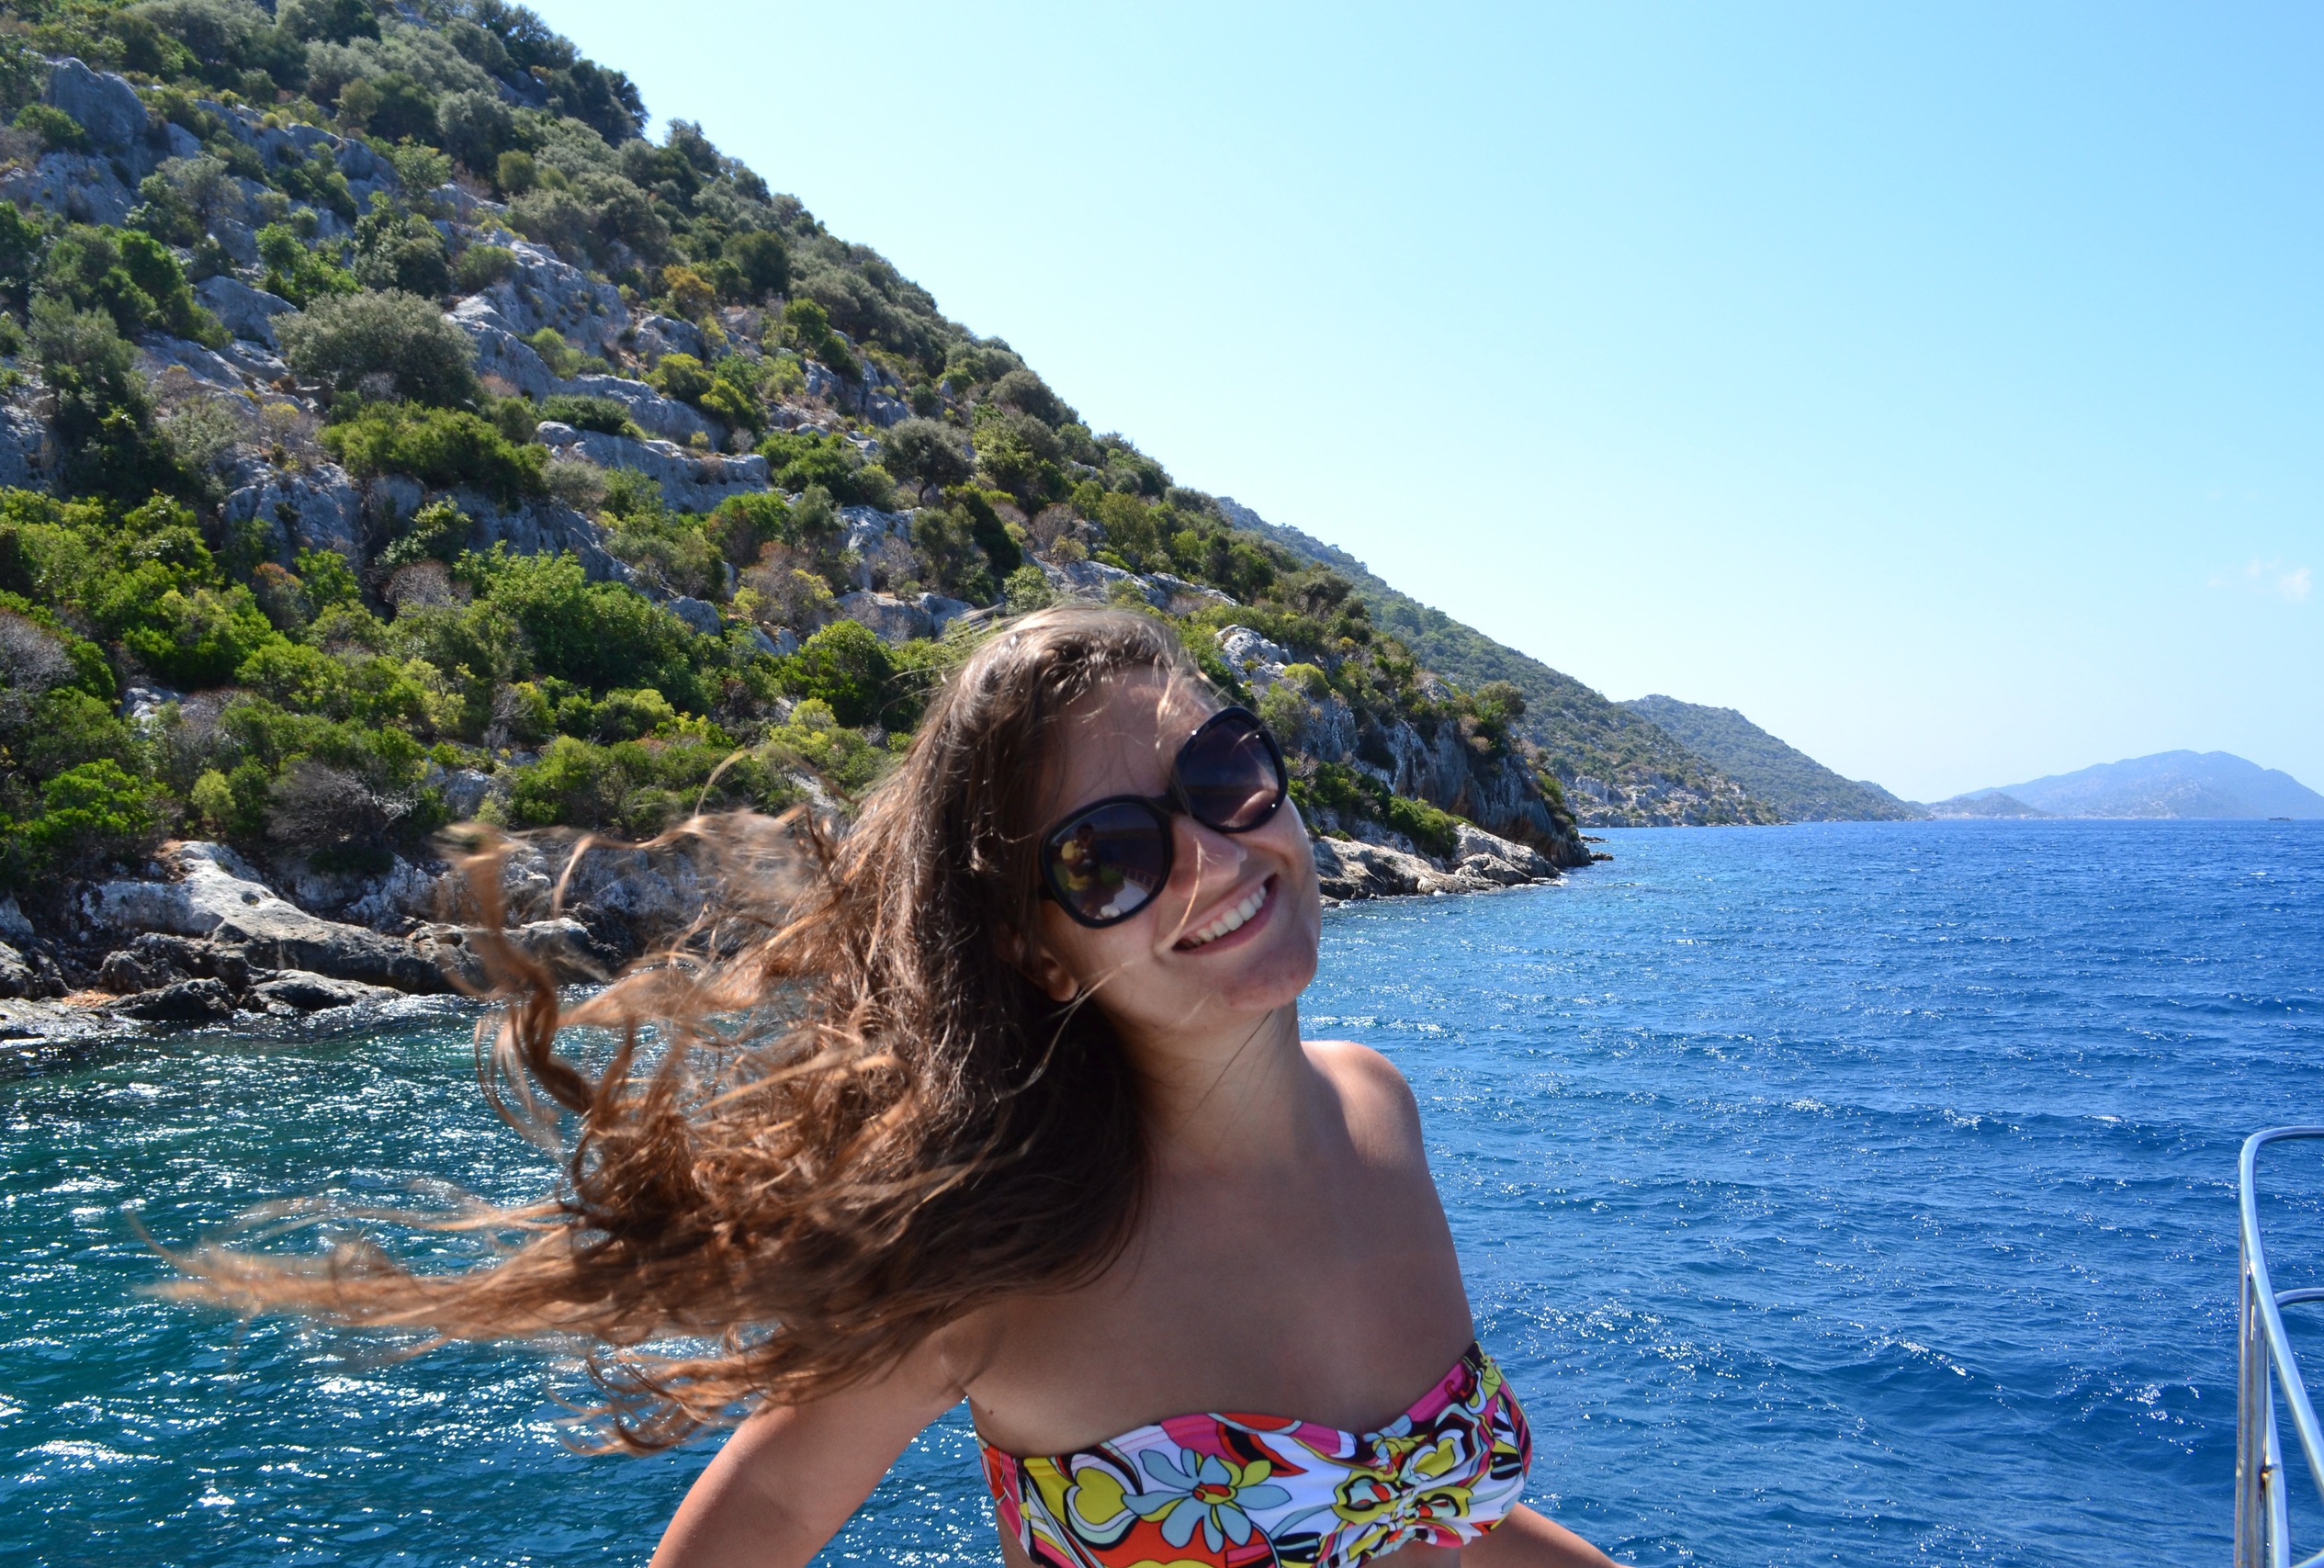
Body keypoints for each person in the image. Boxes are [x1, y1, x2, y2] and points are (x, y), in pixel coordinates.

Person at [175, 606, 1620, 1568]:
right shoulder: (1002, 1261)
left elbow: (1428, 1525)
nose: (1214, 857)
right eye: (1111, 856)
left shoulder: (1376, 1111)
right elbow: (766, 1509)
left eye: (1225, 774)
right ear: (1036, 951)